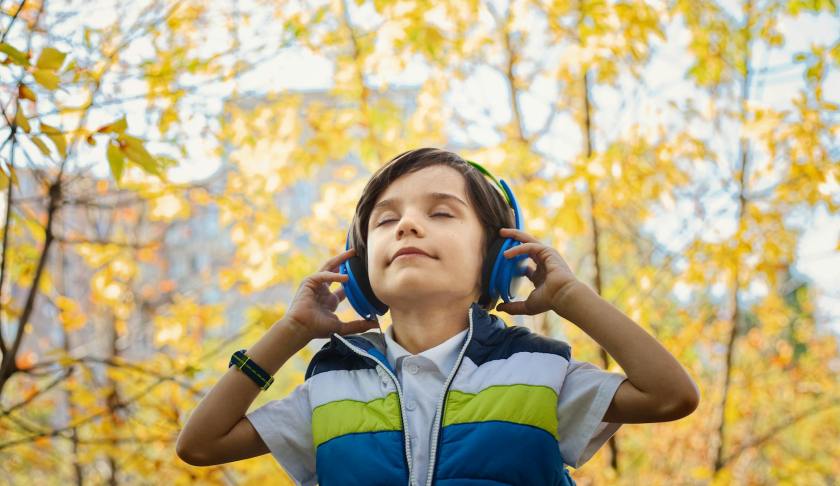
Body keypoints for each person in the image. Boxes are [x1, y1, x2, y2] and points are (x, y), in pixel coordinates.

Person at [176, 148, 700, 485]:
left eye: (441, 212)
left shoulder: (540, 374)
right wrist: (291, 332)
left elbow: (670, 395)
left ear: (496, 260)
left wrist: (570, 296)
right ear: (359, 269)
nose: (406, 226)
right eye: (386, 219)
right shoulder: (332, 388)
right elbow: (200, 443)